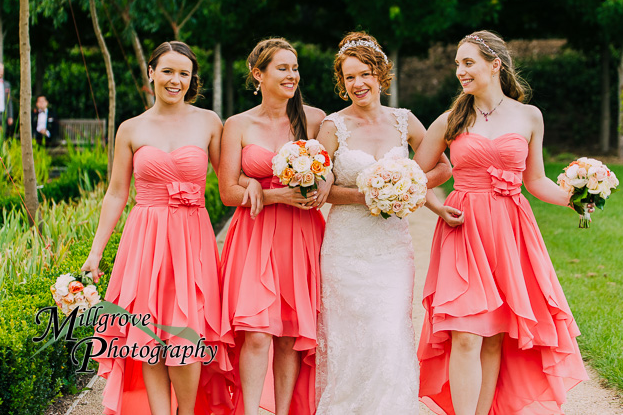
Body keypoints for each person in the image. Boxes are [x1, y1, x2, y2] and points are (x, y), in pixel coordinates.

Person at [414, 31, 588, 415]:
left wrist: (576, 198)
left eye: (468, 62)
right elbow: (412, 177)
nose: (460, 71)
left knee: (494, 335)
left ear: (495, 64)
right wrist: (437, 207)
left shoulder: (529, 116)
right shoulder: (450, 119)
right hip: (464, 230)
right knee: (465, 333)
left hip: (511, 230)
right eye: (457, 64)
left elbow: (536, 180)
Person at [81, 41, 231, 415]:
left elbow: (230, 185)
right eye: (167, 71)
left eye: (184, 73)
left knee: (186, 338)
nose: (175, 80)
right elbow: (116, 194)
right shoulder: (131, 129)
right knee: (147, 337)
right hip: (145, 241)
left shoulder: (209, 122)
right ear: (151, 72)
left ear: (192, 78)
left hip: (192, 241)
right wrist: (96, 252)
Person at [314, 32, 454, 414]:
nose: (357, 83)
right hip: (346, 248)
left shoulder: (404, 121)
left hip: (392, 248)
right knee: (350, 340)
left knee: (389, 333)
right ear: (342, 84)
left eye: (364, 74)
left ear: (380, 74)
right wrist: (367, 195)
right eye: (348, 78)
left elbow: (442, 165)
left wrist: (408, 187)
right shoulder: (332, 127)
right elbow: (322, 188)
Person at [218, 38, 327, 415]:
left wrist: (316, 191)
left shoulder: (314, 120)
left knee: (289, 336)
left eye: (295, 68)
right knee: (258, 332)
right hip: (254, 233)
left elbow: (326, 177)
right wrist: (269, 193)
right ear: (257, 74)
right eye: (282, 68)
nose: (292, 75)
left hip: (300, 234)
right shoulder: (238, 124)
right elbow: (227, 192)